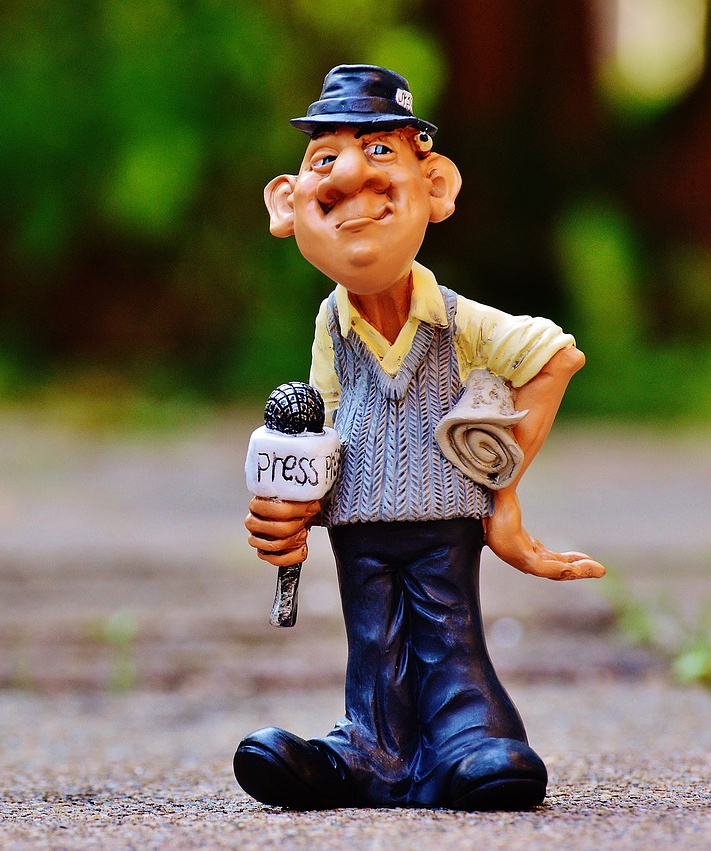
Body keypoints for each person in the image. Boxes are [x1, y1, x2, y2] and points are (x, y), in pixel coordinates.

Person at [234, 65, 605, 811]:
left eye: (380, 153)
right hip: (357, 524)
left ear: (434, 187)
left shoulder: (459, 321)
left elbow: (554, 356)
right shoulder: (332, 324)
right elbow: (322, 423)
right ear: (286, 203)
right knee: (374, 642)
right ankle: (369, 750)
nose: (351, 177)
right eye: (325, 160)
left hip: (443, 520)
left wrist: (500, 495)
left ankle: (468, 741)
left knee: (446, 630)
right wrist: (288, 505)